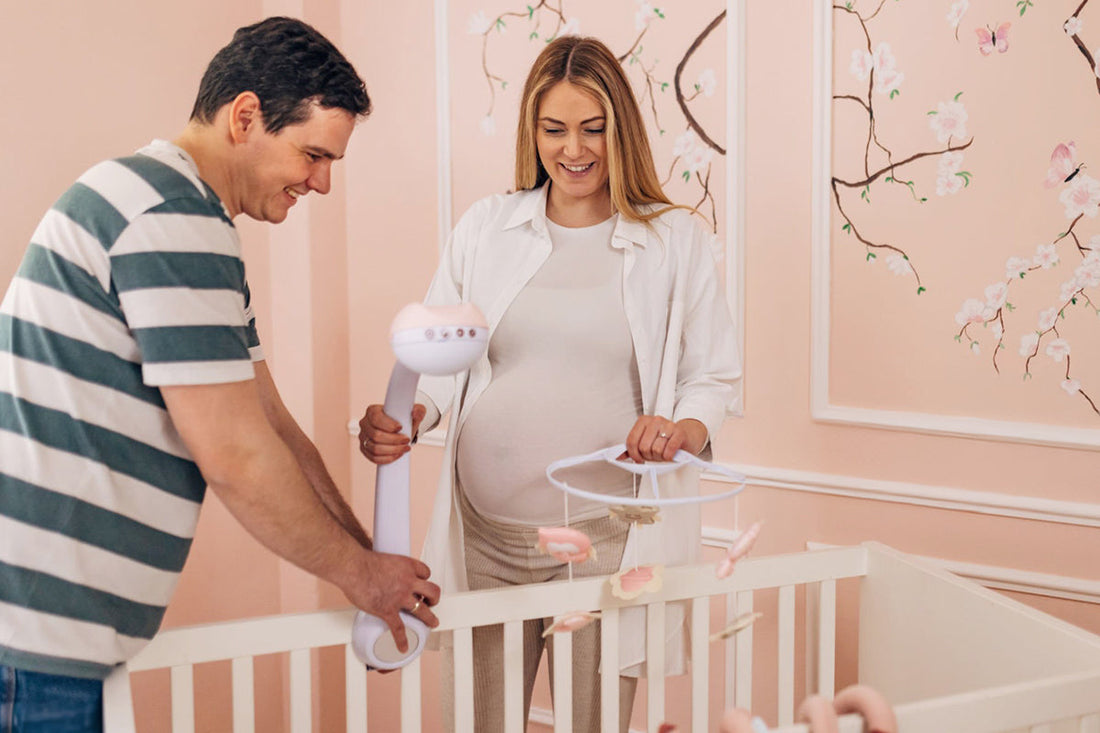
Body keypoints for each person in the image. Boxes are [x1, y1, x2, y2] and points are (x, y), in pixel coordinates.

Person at [0, 17, 439, 731]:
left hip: (46, 629)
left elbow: (272, 427)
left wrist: (372, 566)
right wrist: (362, 576)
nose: (323, 182)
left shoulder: (177, 216)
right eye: (313, 155)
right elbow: (236, 455)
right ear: (245, 117)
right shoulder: (172, 217)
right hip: (35, 633)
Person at [358, 35, 741, 733]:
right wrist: (412, 414)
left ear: (621, 130)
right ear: (532, 133)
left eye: (593, 128)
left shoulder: (674, 241)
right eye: (554, 129)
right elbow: (442, 360)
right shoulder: (486, 227)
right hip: (484, 539)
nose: (574, 149)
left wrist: (680, 429)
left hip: (603, 543)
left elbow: (710, 375)